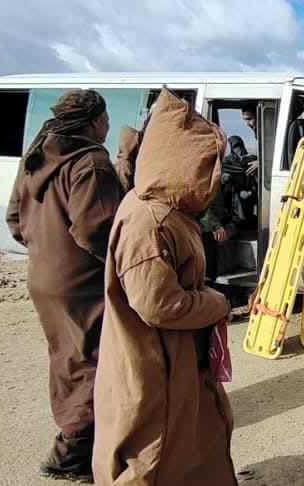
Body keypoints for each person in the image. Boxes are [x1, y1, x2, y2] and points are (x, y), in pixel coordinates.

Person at [93, 89, 235, 484]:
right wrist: (217, 303)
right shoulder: (150, 221)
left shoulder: (167, 210)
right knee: (153, 455)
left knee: (194, 441)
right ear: (183, 161)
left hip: (180, 359)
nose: (214, 175)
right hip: (160, 363)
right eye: (208, 163)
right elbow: (158, 305)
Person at [5, 89, 124, 481]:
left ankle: (85, 441)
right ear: (94, 121)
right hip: (82, 283)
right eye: (106, 119)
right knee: (91, 361)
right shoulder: (90, 163)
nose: (108, 126)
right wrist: (126, 265)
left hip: (44, 278)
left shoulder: (36, 158)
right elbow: (97, 230)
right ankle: (70, 454)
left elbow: (14, 221)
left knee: (68, 359)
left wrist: (45, 250)